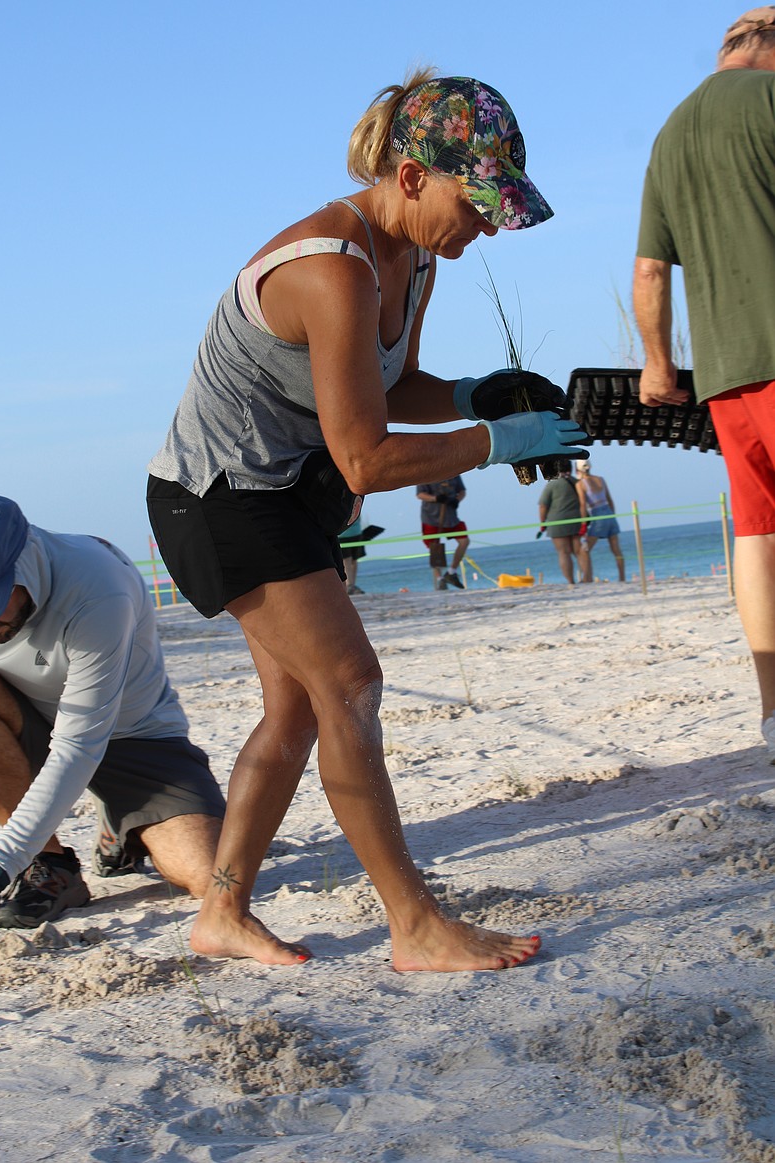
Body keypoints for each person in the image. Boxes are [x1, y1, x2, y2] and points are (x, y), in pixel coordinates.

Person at [146, 70, 588, 972]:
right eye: (479, 202)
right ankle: (413, 921)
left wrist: (472, 394)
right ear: (414, 175)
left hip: (282, 490)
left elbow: (388, 388)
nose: (489, 226)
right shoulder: (327, 266)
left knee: (299, 711)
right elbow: (368, 460)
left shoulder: (415, 255)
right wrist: (497, 440)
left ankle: (222, 911)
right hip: (217, 495)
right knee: (350, 682)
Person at [0, 493, 226, 946]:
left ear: (23, 561)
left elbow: (78, 745)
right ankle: (53, 866)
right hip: (24, 721)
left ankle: (119, 822)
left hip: (130, 736)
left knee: (212, 874)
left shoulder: (97, 586)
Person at [633, 5, 775, 764]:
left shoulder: (671, 132)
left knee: (757, 538)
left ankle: (772, 712)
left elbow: (651, 269)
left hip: (724, 380)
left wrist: (658, 365)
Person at [537, 461, 592, 584]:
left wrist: (542, 522)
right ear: (571, 468)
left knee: (563, 553)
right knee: (579, 551)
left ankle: (571, 581)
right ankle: (586, 579)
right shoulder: (577, 482)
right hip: (577, 520)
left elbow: (542, 506)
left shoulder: (552, 484)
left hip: (557, 523)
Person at [575, 459, 625, 582]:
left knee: (584, 549)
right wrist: (612, 516)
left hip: (597, 514)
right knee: (616, 548)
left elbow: (582, 504)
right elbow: (610, 500)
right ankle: (622, 577)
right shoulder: (600, 479)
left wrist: (583, 524)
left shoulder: (580, 484)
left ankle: (586, 578)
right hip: (609, 513)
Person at [417, 477, 469, 589]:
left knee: (464, 541)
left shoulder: (455, 472)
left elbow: (462, 491)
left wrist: (457, 500)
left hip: (450, 516)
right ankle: (440, 579)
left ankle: (451, 572)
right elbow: (420, 494)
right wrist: (436, 498)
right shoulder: (426, 474)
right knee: (434, 548)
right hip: (431, 517)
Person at [338, 516, 384, 595]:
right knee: (348, 560)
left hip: (355, 532)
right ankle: (350, 585)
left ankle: (351, 585)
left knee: (352, 560)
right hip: (345, 534)